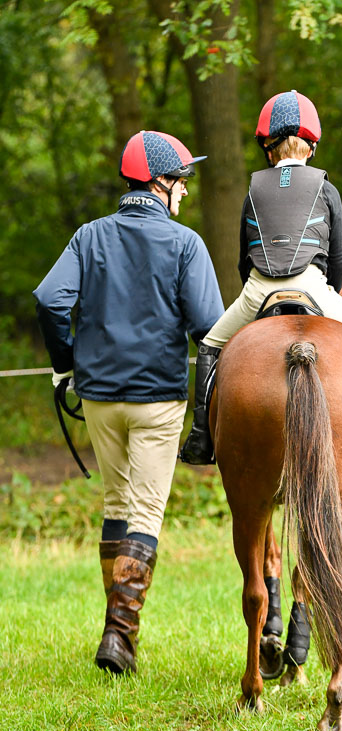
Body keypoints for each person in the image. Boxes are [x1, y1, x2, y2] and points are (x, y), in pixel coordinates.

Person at [33, 130, 224, 675]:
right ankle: (118, 637)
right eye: (182, 181)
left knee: (116, 506)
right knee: (144, 513)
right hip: (157, 400)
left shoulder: (89, 236)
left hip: (97, 397)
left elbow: (50, 299)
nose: (185, 191)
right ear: (159, 183)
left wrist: (66, 361)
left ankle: (117, 632)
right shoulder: (185, 244)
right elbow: (209, 326)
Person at [181, 90, 342, 464]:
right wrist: (331, 291)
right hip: (311, 284)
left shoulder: (252, 189)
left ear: (268, 149)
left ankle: (200, 438)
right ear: (311, 147)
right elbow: (338, 258)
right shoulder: (326, 187)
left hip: (259, 288)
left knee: (211, 345)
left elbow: (242, 258)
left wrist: (256, 289)